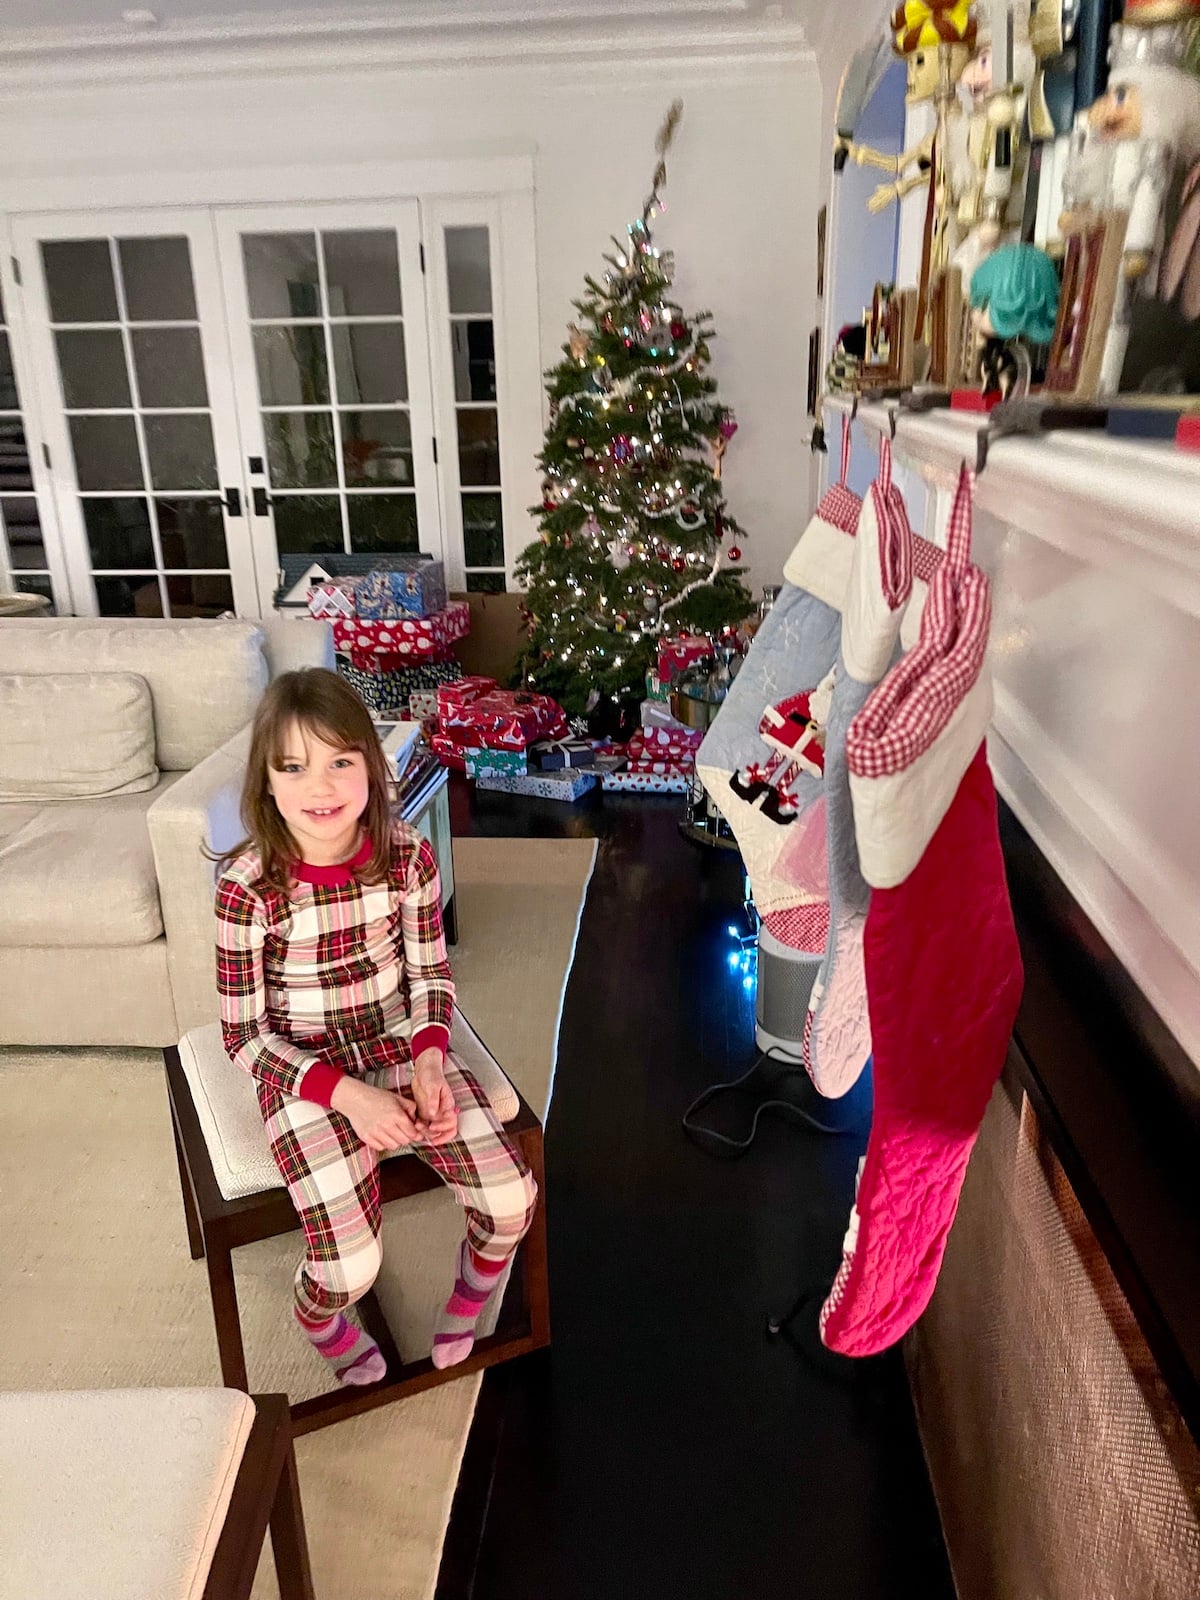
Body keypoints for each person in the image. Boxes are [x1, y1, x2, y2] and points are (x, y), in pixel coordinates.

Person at [214, 668, 537, 1386]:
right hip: (303, 1065)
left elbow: (430, 977)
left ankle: (472, 1283)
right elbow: (243, 1037)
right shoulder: (246, 887)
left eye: (339, 762)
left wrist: (427, 1065)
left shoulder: (408, 855)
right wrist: (352, 1098)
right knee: (350, 1266)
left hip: (397, 1037)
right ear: (266, 782)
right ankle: (317, 1316)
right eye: (293, 767)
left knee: (513, 1200)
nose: (320, 787)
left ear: (370, 765)